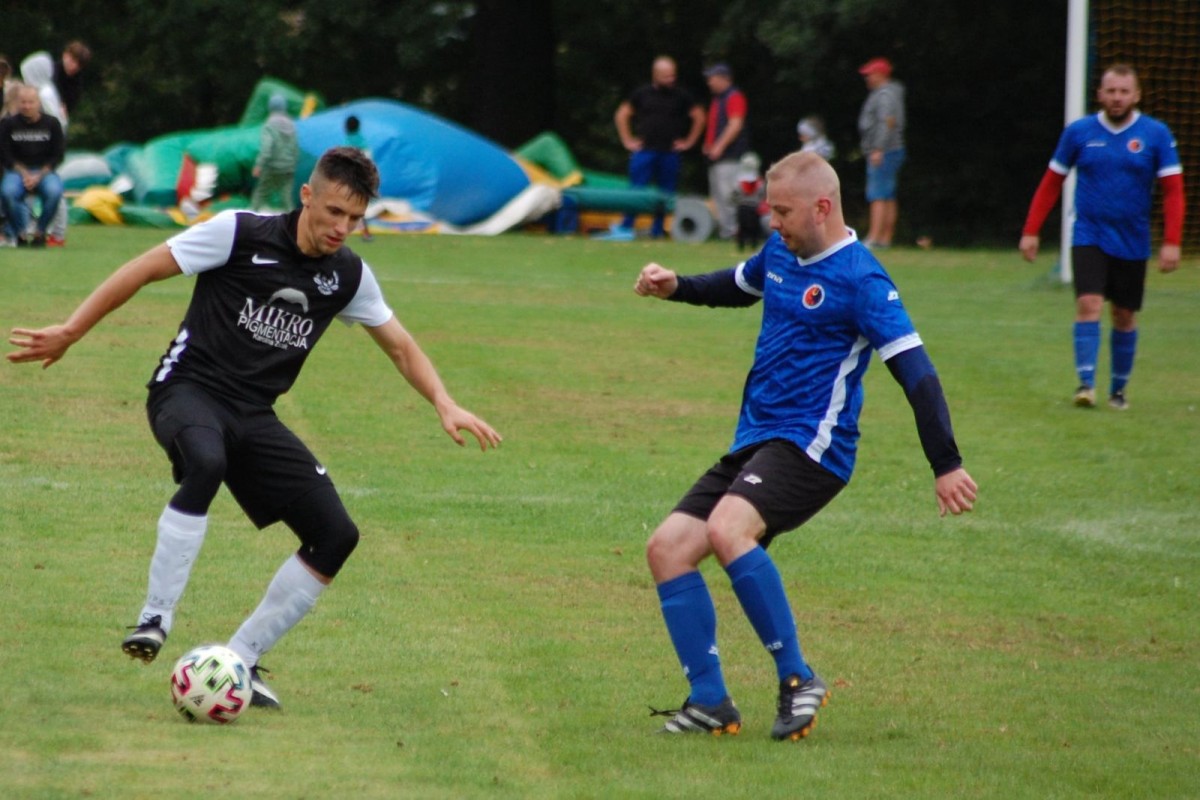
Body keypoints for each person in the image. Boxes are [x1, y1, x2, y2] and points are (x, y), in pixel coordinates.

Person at [6, 147, 502, 709]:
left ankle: (239, 661)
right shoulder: (238, 233)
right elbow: (143, 268)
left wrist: (443, 401)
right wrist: (72, 330)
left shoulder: (348, 275)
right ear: (307, 196)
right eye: (334, 211)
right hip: (185, 390)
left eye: (355, 218)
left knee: (336, 535)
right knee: (207, 462)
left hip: (253, 415)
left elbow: (400, 346)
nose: (343, 227)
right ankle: (154, 619)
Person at [634, 151, 977, 739]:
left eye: (784, 211)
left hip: (814, 448)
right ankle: (710, 701)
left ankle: (798, 678)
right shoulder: (780, 254)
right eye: (771, 209)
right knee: (666, 548)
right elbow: (739, 287)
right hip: (758, 440)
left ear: (823, 207)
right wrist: (677, 288)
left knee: (727, 530)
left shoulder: (862, 279)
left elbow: (917, 373)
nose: (773, 222)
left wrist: (945, 463)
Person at [1019, 64, 1184, 411]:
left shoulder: (1155, 134)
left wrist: (1171, 241)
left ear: (1136, 95)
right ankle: (1086, 384)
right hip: (1089, 233)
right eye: (1111, 91)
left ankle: (1118, 390)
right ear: (1100, 94)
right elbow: (1051, 183)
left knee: (1123, 314)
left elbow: (1173, 191)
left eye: (1124, 91)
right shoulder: (1079, 132)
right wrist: (1031, 231)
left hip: (1133, 238)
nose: (1117, 97)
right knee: (1088, 304)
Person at [613, 56, 705, 239]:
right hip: (645, 151)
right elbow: (622, 114)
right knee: (636, 190)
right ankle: (626, 227)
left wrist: (689, 141)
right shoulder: (642, 94)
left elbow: (700, 116)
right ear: (655, 75)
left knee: (666, 193)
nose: (671, 80)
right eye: (666, 76)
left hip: (670, 153)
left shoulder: (681, 96)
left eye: (672, 76)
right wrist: (627, 139)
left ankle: (658, 230)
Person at [0, 84, 65, 247]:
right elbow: (4, 154)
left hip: (44, 172)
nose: (27, 106)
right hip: (16, 171)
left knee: (54, 191)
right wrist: (25, 174)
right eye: (23, 102)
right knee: (7, 192)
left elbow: (58, 155)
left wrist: (38, 176)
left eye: (31, 102)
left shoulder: (52, 124)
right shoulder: (8, 124)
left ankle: (40, 232)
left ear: (38, 103)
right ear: (18, 103)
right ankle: (20, 233)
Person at [857, 57, 906, 248]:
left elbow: (888, 122)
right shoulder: (891, 92)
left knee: (877, 194)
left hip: (884, 150)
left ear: (880, 75)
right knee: (888, 195)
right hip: (892, 149)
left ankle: (874, 237)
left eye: (869, 74)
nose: (867, 78)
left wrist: (878, 148)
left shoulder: (885, 95)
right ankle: (885, 238)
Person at [702, 63, 750, 240]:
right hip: (718, 157)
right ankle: (726, 231)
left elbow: (735, 124)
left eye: (713, 78)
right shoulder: (719, 99)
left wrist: (718, 146)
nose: (709, 82)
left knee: (728, 195)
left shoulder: (734, 97)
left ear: (725, 78)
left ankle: (734, 230)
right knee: (719, 196)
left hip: (730, 156)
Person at [251, 94, 300, 212]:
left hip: (272, 167)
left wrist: (259, 165)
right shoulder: (291, 125)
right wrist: (292, 164)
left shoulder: (269, 124)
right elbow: (295, 148)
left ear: (270, 108)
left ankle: (249, 220)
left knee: (260, 195)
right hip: (288, 168)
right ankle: (293, 226)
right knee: (287, 200)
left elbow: (267, 148)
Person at [343, 115, 373, 241]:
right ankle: (365, 232)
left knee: (346, 204)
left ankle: (342, 231)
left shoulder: (347, 142)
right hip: (362, 176)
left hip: (350, 177)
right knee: (359, 205)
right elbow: (368, 159)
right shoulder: (363, 141)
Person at [732, 151, 765, 251]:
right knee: (753, 226)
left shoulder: (739, 181)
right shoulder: (759, 181)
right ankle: (752, 243)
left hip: (743, 206)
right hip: (753, 206)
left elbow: (734, 193)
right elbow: (762, 193)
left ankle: (742, 244)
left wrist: (734, 200)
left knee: (743, 226)